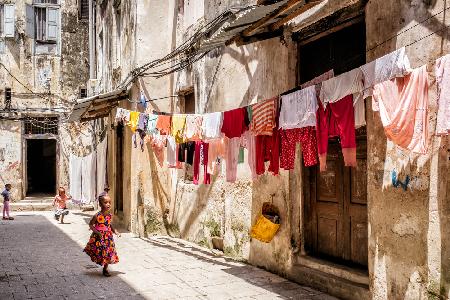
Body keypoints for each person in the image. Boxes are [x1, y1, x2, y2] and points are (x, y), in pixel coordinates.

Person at [84, 194, 120, 277]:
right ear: (100, 204)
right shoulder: (97, 215)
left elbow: (109, 225)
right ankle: (101, 262)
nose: (108, 204)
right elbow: (91, 225)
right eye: (105, 202)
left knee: (108, 253)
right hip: (99, 237)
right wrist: (97, 232)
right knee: (101, 252)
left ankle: (105, 269)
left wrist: (115, 232)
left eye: (109, 202)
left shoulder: (110, 215)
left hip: (108, 238)